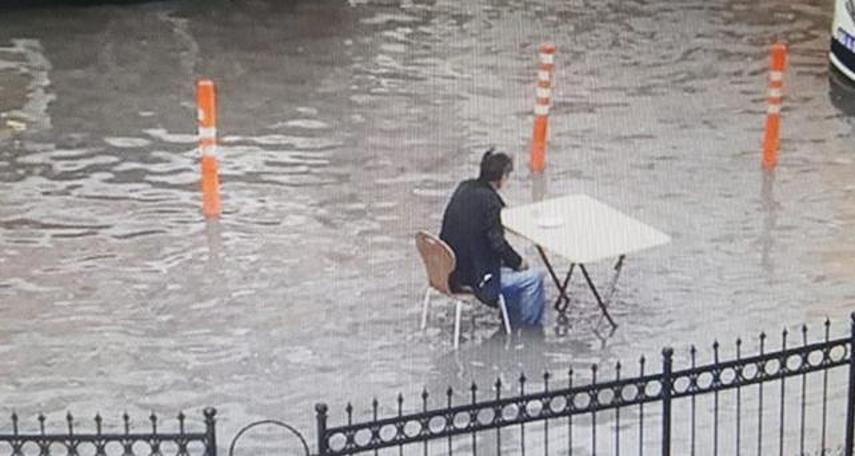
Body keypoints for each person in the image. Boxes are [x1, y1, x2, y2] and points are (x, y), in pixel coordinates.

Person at [439, 148, 546, 327]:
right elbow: (498, 244)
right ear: (502, 177)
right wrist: (519, 262)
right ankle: (530, 331)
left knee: (513, 268)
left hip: (450, 269)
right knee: (534, 278)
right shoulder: (490, 202)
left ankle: (511, 318)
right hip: (473, 276)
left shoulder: (464, 187)